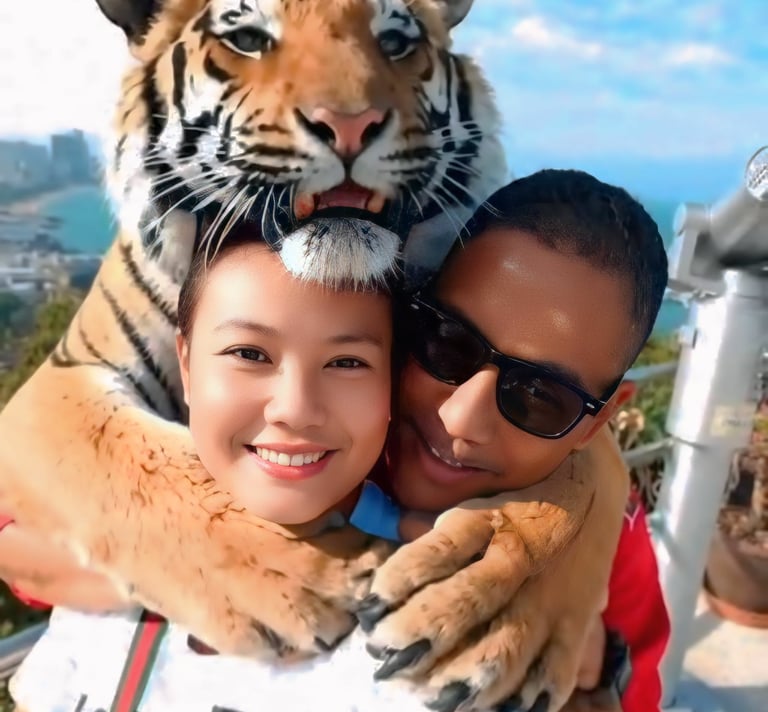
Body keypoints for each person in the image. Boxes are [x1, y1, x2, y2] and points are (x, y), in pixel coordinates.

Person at [1, 169, 669, 712]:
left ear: (596, 422)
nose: (462, 418)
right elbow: (21, 544)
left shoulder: (607, 546)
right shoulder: (311, 439)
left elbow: (624, 685)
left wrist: (583, 655)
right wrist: (253, 570)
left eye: (540, 397)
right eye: (448, 343)